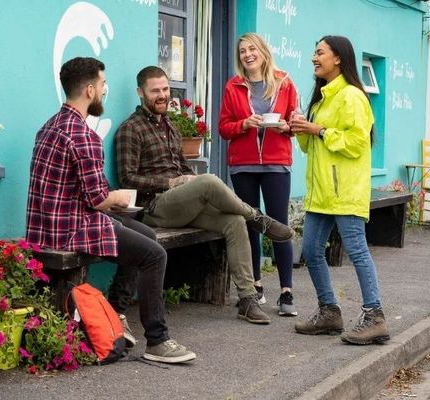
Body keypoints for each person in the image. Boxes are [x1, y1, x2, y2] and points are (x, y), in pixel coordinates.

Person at [26, 57, 196, 363]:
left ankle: (118, 311)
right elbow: (97, 199)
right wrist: (117, 196)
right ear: (90, 90)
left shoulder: (49, 126)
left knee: (144, 233)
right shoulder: (83, 135)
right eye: (103, 84)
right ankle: (157, 341)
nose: (105, 91)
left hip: (47, 225)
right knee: (155, 255)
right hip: (71, 229)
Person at [115, 65, 295, 325]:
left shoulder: (170, 127)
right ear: (140, 93)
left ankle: (247, 299)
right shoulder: (131, 129)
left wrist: (188, 179)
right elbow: (128, 179)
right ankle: (257, 217)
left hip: (182, 206)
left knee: (233, 222)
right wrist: (171, 182)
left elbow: (184, 169)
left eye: (165, 89)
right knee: (209, 181)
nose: (162, 95)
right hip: (154, 208)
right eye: (155, 91)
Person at [289, 36, 390, 345]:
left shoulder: (352, 97)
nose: (313, 58)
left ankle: (375, 316)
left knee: (357, 250)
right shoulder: (322, 98)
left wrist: (318, 130)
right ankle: (329, 311)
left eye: (320, 52)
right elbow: (311, 147)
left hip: (345, 190)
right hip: (321, 193)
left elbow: (359, 142)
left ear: (338, 59)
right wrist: (300, 127)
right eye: (314, 52)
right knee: (311, 251)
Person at [218, 33, 299, 317]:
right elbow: (224, 127)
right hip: (243, 165)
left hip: (277, 163)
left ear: (263, 51)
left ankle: (287, 291)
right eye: (242, 51)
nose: (247, 54)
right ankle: (256, 285)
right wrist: (244, 124)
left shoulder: (285, 82)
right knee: (251, 224)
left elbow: (295, 122)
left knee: (279, 225)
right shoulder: (233, 85)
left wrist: (285, 128)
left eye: (252, 49)